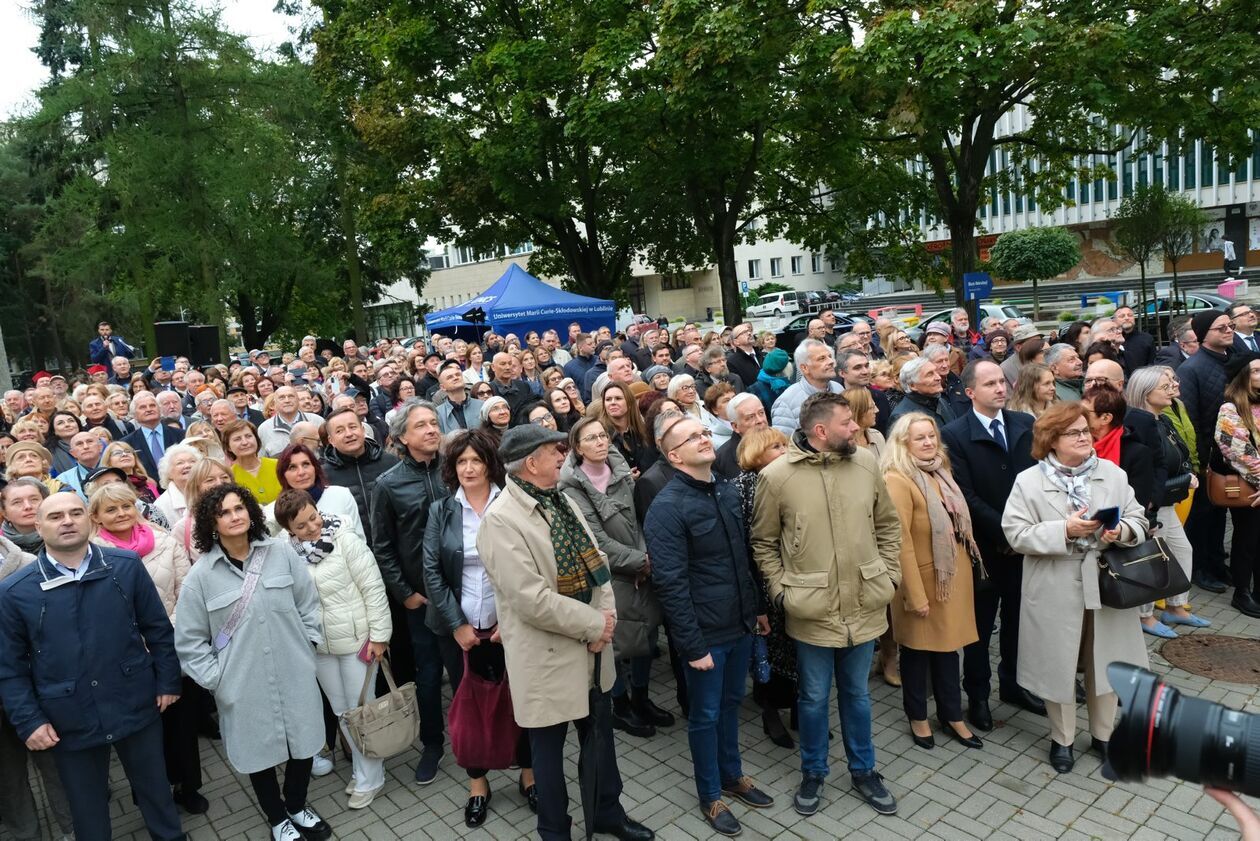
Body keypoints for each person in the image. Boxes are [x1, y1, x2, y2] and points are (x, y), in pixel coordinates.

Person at [477, 424, 654, 841]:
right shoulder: (501, 521)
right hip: (547, 657)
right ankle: (555, 832)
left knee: (600, 743)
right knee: (548, 754)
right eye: (553, 450)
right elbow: (531, 600)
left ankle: (607, 813)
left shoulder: (560, 499)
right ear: (530, 462)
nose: (562, 455)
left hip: (593, 648)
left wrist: (604, 623)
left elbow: (598, 564)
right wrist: (594, 625)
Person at [0, 492, 184, 841]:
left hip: (134, 700)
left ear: (89, 520)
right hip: (67, 717)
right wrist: (29, 721)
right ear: (38, 526)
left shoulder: (125, 566)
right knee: (87, 808)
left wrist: (168, 682)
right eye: (55, 516)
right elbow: (9, 667)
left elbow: (158, 630)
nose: (67, 521)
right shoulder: (14, 592)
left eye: (75, 513)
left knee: (156, 791)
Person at [751, 392, 902, 817]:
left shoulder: (867, 463)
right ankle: (813, 772)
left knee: (857, 695)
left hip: (865, 602)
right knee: (814, 699)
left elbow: (888, 525)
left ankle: (864, 770)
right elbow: (763, 543)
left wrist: (889, 576)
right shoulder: (778, 476)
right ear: (821, 431)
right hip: (811, 609)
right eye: (846, 423)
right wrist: (783, 591)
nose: (856, 428)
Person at [174, 485, 332, 841]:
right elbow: (188, 641)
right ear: (211, 523)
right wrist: (218, 680)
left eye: (240, 508)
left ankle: (296, 805)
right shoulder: (200, 576)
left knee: (304, 741)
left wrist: (307, 646)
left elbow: (308, 603)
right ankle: (277, 819)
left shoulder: (280, 553)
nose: (235, 516)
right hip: (241, 682)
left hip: (294, 670)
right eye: (225, 512)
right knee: (257, 753)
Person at [1001, 402, 1149, 774]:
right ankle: (1061, 739)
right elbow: (1015, 534)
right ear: (1051, 440)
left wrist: (1123, 532)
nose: (1085, 437)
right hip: (1054, 582)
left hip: (1106, 580)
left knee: (1107, 660)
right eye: (1074, 433)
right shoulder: (1029, 481)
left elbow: (1138, 518)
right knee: (1058, 666)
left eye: (1086, 430)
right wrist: (1063, 531)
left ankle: (1103, 735)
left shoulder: (1112, 473)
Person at [644, 415, 771, 836]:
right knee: (705, 715)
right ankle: (711, 794)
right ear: (673, 454)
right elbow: (671, 584)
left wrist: (755, 610)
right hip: (705, 634)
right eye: (692, 437)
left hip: (738, 624)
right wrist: (691, 646)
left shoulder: (725, 489)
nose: (703, 438)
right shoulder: (667, 507)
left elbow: (742, 558)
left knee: (733, 702)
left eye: (703, 432)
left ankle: (733, 776)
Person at [420, 430, 535, 826]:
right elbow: (432, 571)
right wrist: (456, 623)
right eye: (460, 462)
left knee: (521, 701)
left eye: (476, 460)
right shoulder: (442, 511)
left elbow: (533, 564)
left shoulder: (514, 502)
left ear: (490, 463)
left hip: (513, 625)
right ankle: (477, 782)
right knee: (469, 708)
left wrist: (513, 620)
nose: (468, 468)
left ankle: (528, 773)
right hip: (461, 629)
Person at [86, 482, 205, 814]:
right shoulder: (91, 556)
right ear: (95, 516)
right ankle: (154, 794)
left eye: (127, 506)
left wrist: (164, 635)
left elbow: (188, 592)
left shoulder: (165, 543)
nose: (122, 513)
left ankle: (188, 785)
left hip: (172, 647)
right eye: (111, 509)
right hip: (127, 657)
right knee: (144, 733)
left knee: (181, 725)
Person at [273, 489, 392, 810]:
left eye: (313, 517)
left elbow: (373, 586)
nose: (312, 526)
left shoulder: (346, 539)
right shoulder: (284, 553)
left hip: (357, 641)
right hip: (319, 646)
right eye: (301, 525)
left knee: (362, 711)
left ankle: (372, 778)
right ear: (288, 529)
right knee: (342, 712)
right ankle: (361, 769)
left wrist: (379, 636)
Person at [939, 361, 1041, 732]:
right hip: (983, 551)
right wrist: (1009, 533)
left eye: (1002, 381)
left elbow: (1039, 479)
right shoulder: (953, 434)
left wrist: (1028, 533)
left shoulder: (1024, 425)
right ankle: (978, 696)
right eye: (990, 383)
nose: (1001, 388)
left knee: (1019, 622)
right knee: (980, 629)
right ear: (970, 393)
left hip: (1025, 547)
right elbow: (965, 496)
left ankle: (1014, 684)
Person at [560, 417, 669, 739]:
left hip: (641, 567)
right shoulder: (572, 486)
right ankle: (619, 706)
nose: (600, 442)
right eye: (590, 438)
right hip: (610, 574)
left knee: (646, 637)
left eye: (602, 436)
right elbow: (596, 539)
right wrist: (640, 561)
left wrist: (646, 559)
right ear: (577, 448)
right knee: (617, 643)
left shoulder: (621, 471)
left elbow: (640, 519)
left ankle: (641, 698)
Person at [880, 415, 981, 751]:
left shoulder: (941, 471)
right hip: (923, 581)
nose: (928, 443)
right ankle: (918, 716)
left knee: (948, 649)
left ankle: (952, 714)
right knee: (918, 653)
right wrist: (914, 594)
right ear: (903, 443)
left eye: (931, 436)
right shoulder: (897, 479)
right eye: (919, 438)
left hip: (950, 580)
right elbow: (900, 542)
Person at [369, 399, 451, 784]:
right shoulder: (388, 484)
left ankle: (482, 740)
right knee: (430, 674)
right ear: (402, 436)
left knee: (472, 670)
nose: (432, 429)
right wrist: (406, 594)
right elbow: (382, 546)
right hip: (422, 599)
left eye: (434, 423)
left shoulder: (456, 470)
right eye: (421, 425)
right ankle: (433, 743)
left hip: (465, 591)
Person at [0, 481, 76, 841]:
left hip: (35, 684)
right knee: (8, 777)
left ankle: (75, 829)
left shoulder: (28, 563)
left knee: (57, 765)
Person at [1125, 367, 1208, 633]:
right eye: (1165, 386)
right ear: (1146, 393)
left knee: (1182, 550)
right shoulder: (1139, 422)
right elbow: (1144, 467)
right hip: (1151, 503)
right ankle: (1144, 615)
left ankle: (1175, 608)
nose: (1172, 388)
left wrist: (1185, 474)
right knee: (1151, 559)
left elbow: (1176, 454)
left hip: (1167, 499)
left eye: (1172, 382)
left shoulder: (1162, 419)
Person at [1180, 310, 1236, 593]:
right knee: (1203, 514)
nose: (1228, 330)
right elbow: (1191, 420)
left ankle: (1216, 562)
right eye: (1221, 327)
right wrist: (1200, 462)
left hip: (1233, 454)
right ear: (1203, 335)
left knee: (1220, 513)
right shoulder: (1191, 369)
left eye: (1231, 325)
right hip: (1207, 456)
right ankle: (1200, 568)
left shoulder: (1233, 360)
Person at [1214, 352, 1260, 617]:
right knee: (1247, 541)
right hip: (1248, 487)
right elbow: (1239, 453)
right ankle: (1241, 593)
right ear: (1242, 377)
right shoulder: (1230, 409)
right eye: (1255, 371)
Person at [321, 407, 399, 545]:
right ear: (331, 440)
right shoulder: (323, 475)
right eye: (340, 431)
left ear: (363, 430)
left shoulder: (391, 463)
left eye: (353, 427)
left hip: (393, 546)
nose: (349, 434)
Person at [268, 443, 364, 539]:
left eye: (306, 464)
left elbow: (359, 539)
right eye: (292, 467)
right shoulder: (273, 512)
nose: (301, 472)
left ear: (315, 467)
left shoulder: (341, 495)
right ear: (283, 475)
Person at [770, 340, 843, 436]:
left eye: (830, 356)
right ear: (804, 368)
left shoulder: (839, 389)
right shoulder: (786, 403)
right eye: (821, 358)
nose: (831, 361)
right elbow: (784, 446)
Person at [171, 458, 233, 559]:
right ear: (196, 487)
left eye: (224, 477)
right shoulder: (182, 529)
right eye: (210, 480)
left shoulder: (248, 512)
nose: (220, 483)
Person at [122, 391, 187, 481]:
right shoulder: (127, 443)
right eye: (142, 407)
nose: (149, 409)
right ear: (134, 415)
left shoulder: (182, 435)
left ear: (160, 410)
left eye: (152, 406)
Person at [220, 420, 281, 505]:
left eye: (248, 436)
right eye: (237, 439)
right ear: (228, 447)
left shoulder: (278, 465)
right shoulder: (229, 477)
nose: (245, 442)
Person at [887, 356, 956, 428]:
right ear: (912, 385)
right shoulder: (901, 417)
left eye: (936, 372)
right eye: (930, 374)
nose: (938, 378)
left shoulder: (942, 402)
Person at [714, 393, 768, 480]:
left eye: (761, 413)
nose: (760, 420)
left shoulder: (782, 442)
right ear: (735, 426)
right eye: (750, 417)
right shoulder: (721, 460)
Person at [257, 386, 323, 458]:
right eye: (282, 397)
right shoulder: (264, 429)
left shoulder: (317, 421)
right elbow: (262, 460)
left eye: (291, 396)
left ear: (297, 400)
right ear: (275, 403)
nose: (287, 400)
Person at [153, 444, 203, 528]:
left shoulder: (210, 489)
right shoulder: (160, 505)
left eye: (192, 461)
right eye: (180, 463)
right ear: (168, 473)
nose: (187, 465)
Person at [435, 360, 485, 433]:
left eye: (458, 375)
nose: (455, 378)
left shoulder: (482, 405)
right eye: (450, 377)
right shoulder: (438, 414)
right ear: (442, 387)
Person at [747, 348, 791, 417]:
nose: (790, 364)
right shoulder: (786, 385)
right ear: (782, 369)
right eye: (788, 362)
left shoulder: (787, 382)